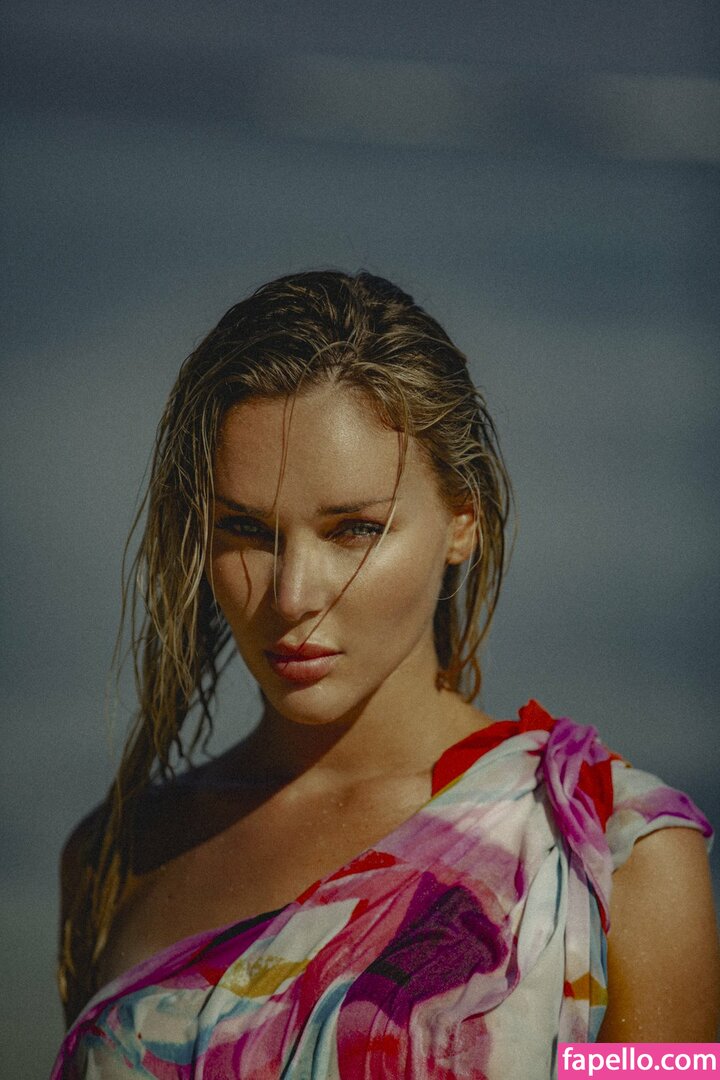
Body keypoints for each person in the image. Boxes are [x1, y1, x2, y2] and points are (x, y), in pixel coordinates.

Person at [53, 271, 718, 1078]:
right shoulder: (120, 857)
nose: (292, 595)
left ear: (462, 520)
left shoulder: (616, 861)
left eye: (353, 529)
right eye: (246, 530)